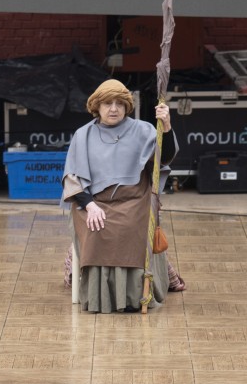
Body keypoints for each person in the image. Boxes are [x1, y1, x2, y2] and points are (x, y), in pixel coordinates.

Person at [61, 79, 177, 313]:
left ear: (127, 106)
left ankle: (135, 297)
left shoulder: (144, 130)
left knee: (130, 226)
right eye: (107, 103)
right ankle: (99, 298)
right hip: (95, 203)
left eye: (119, 103)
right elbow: (72, 178)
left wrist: (166, 126)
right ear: (97, 107)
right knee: (97, 229)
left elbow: (164, 158)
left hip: (136, 201)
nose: (113, 108)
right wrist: (90, 205)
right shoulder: (83, 135)